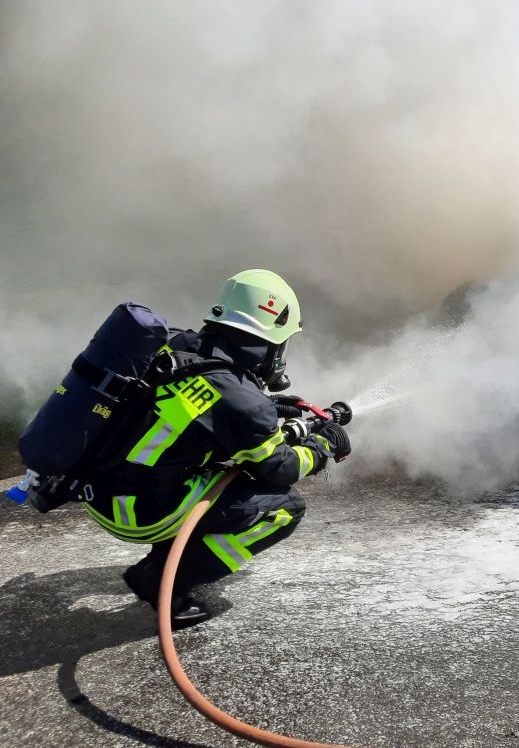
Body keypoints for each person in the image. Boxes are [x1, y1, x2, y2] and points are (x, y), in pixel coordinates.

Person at [85, 269, 351, 628]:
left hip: (96, 490)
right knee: (283, 508)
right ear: (269, 338)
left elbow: (202, 407)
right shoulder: (241, 400)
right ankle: (163, 580)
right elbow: (280, 468)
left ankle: (168, 556)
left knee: (203, 473)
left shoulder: (179, 346)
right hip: (137, 515)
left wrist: (270, 406)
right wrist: (321, 446)